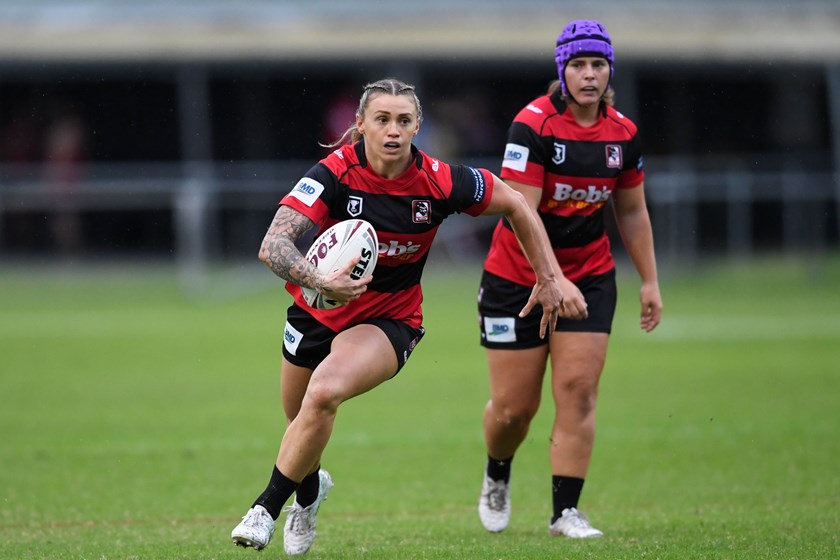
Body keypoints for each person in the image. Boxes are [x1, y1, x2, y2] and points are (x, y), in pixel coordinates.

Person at [230, 77, 564, 556]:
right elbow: (273, 245)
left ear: (417, 126)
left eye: (404, 120)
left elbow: (514, 202)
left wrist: (547, 277)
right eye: (382, 119)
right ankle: (309, 493)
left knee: (324, 392)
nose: (393, 130)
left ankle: (264, 509)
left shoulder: (441, 181)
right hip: (317, 311)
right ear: (360, 124)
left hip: (390, 318)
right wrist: (321, 281)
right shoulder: (335, 173)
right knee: (299, 417)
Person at [476, 20, 663, 539]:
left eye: (598, 64)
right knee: (515, 410)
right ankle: (497, 471)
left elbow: (632, 211)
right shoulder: (533, 125)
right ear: (562, 71)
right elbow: (521, 212)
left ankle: (565, 513)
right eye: (578, 65)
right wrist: (553, 278)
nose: (589, 74)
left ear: (610, 72)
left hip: (590, 277)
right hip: (516, 279)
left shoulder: (623, 133)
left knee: (579, 391)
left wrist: (650, 280)